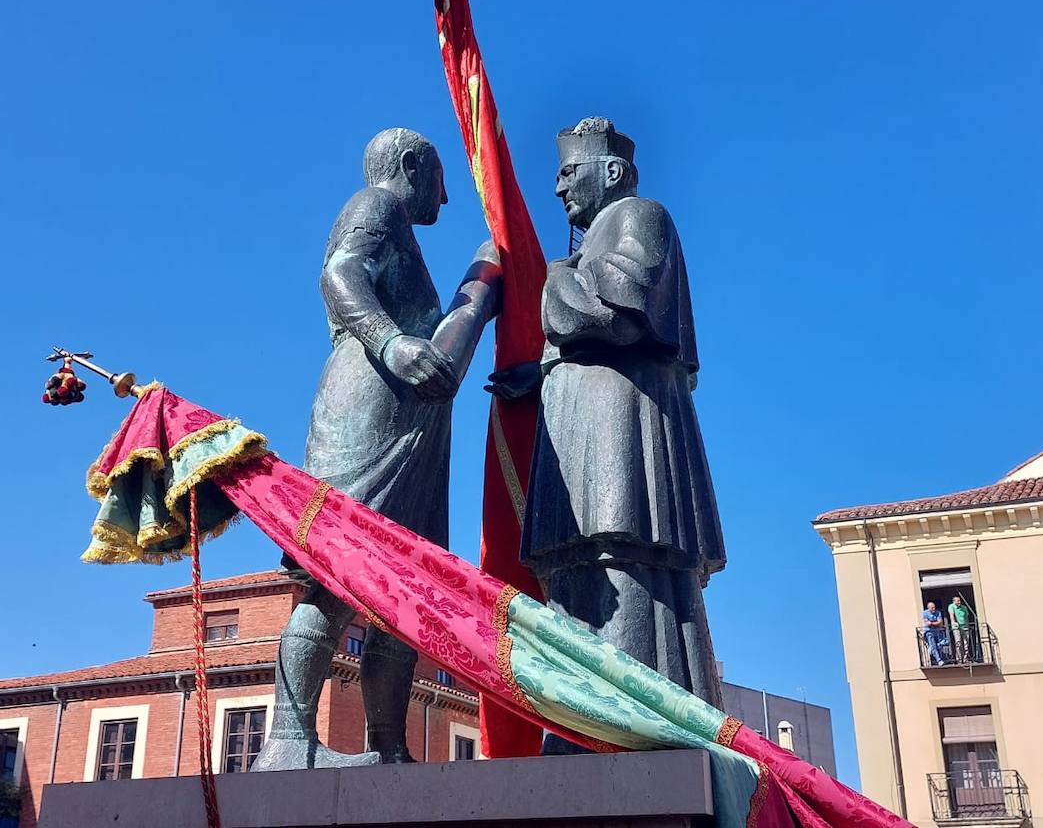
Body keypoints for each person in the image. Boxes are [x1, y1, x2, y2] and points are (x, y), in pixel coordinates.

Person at [254, 127, 498, 770]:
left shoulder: (401, 229)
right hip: (368, 402)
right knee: (336, 578)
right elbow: (338, 275)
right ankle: (287, 740)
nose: (444, 200)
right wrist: (390, 342)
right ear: (413, 166)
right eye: (442, 181)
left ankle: (387, 746)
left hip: (411, 424)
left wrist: (479, 291)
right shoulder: (376, 205)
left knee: (401, 591)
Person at [489, 117, 726, 754]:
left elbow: (617, 311)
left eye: (570, 172)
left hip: (623, 420)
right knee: (576, 565)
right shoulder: (591, 240)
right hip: (579, 422)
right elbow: (580, 326)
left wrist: (551, 277)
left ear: (612, 172)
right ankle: (581, 723)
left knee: (622, 552)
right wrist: (535, 372)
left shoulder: (641, 215)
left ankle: (628, 723)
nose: (559, 187)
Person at [948, 594, 975, 663]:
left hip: (965, 627)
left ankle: (965, 658)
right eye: (958, 601)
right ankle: (959, 659)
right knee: (958, 642)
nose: (959, 602)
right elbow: (952, 615)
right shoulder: (951, 606)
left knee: (966, 643)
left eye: (960, 601)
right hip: (956, 627)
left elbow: (966, 617)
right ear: (954, 601)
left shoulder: (964, 607)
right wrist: (954, 622)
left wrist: (967, 626)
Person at [921, 601, 948, 666]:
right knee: (933, 645)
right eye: (932, 608)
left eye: (934, 607)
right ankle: (939, 660)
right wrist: (935, 623)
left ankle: (932, 648)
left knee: (945, 642)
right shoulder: (925, 613)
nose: (933, 609)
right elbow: (927, 623)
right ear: (928, 608)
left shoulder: (938, 612)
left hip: (937, 631)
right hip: (929, 631)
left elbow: (940, 622)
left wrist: (932, 623)